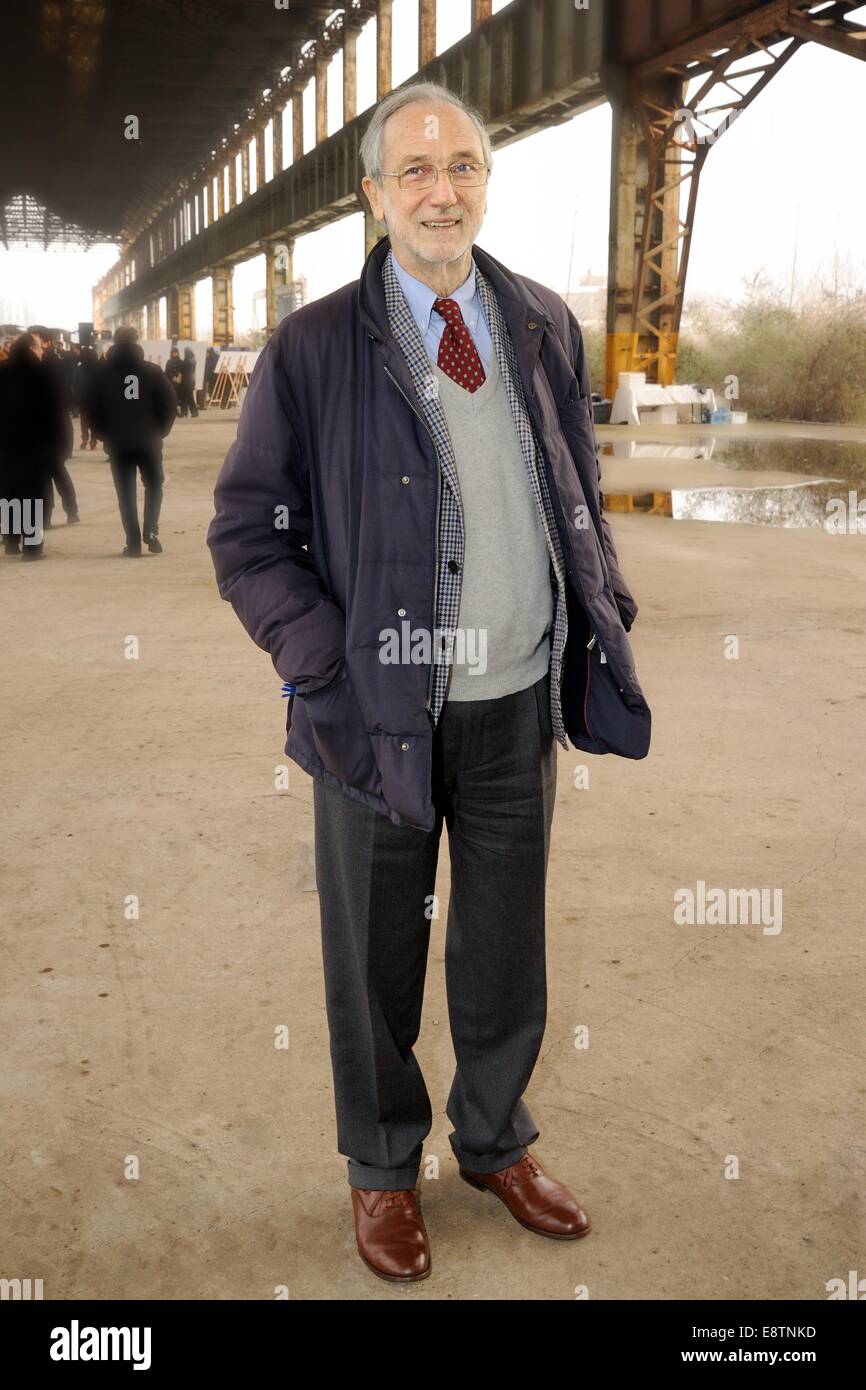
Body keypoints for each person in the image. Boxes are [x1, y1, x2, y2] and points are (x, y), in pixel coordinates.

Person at [207, 80, 651, 1283]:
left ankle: (496, 1139)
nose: (439, 189)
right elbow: (247, 533)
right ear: (373, 194)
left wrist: (596, 601)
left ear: (483, 183)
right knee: (373, 961)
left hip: (514, 701)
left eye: (459, 166)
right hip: (375, 718)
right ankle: (380, 1168)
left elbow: (574, 487)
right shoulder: (311, 347)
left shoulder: (540, 324)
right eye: (412, 169)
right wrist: (325, 667)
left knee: (504, 945)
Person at [82, 325, 176, 556]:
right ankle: (151, 530)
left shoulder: (101, 374)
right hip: (149, 441)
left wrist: (103, 433)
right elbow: (169, 404)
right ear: (137, 341)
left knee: (125, 492)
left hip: (117, 443)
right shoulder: (152, 371)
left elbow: (90, 408)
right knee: (154, 485)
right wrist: (160, 431)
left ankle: (132, 542)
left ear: (113, 342)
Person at [0, 332, 63, 560]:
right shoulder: (42, 373)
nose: (42, 350)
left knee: (9, 491)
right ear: (29, 348)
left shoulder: (2, 370)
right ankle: (32, 546)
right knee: (34, 493)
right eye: (38, 347)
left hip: (6, 444)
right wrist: (57, 443)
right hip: (36, 444)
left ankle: (10, 540)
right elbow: (54, 412)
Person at [27, 325, 78, 525]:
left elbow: (57, 402)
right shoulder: (42, 365)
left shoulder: (49, 366)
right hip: (51, 431)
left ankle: (58, 513)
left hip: (54, 431)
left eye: (35, 341)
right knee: (53, 472)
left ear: (46, 343)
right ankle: (66, 511)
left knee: (52, 471)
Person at [74, 346, 100, 449]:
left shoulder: (79, 368)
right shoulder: (99, 368)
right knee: (94, 419)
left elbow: (74, 383)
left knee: (84, 420)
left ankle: (85, 438)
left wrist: (76, 397)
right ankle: (93, 439)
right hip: (95, 399)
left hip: (83, 399)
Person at [178, 347, 199, 417]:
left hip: (185, 381)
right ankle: (194, 412)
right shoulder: (193, 361)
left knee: (184, 398)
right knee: (190, 398)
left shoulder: (186, 361)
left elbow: (182, 371)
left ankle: (184, 412)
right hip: (191, 381)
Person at [164, 347, 183, 411]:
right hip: (171, 381)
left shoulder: (181, 361)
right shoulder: (169, 362)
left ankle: (177, 410)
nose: (173, 354)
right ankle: (174, 410)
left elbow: (182, 370)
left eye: (175, 352)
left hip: (179, 382)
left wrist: (179, 377)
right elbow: (167, 371)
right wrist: (173, 377)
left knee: (178, 396)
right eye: (172, 352)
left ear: (177, 353)